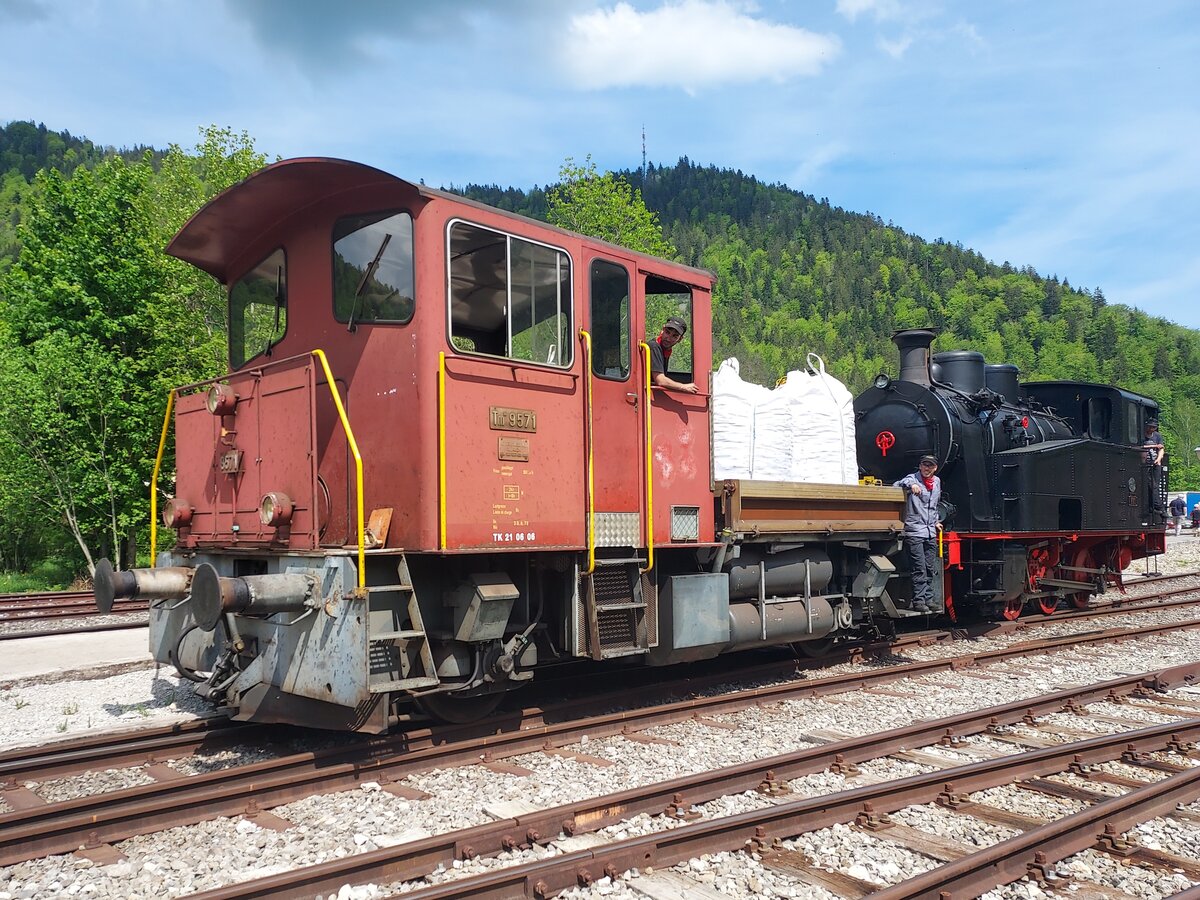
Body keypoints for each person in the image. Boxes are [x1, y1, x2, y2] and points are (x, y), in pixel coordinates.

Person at [893, 454, 942, 614]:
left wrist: (936, 522)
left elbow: (934, 505)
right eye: (924, 465)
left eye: (930, 466)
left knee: (929, 566)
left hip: (930, 531)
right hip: (915, 530)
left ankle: (929, 598)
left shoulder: (937, 482)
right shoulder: (912, 478)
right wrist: (912, 484)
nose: (926, 468)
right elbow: (898, 483)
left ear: (935, 468)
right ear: (920, 466)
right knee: (919, 567)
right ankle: (919, 600)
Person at [649, 316, 699, 394]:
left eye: (674, 336)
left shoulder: (665, 350)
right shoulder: (654, 347)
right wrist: (683, 387)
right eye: (667, 332)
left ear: (680, 339)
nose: (668, 338)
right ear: (662, 330)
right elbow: (660, 380)